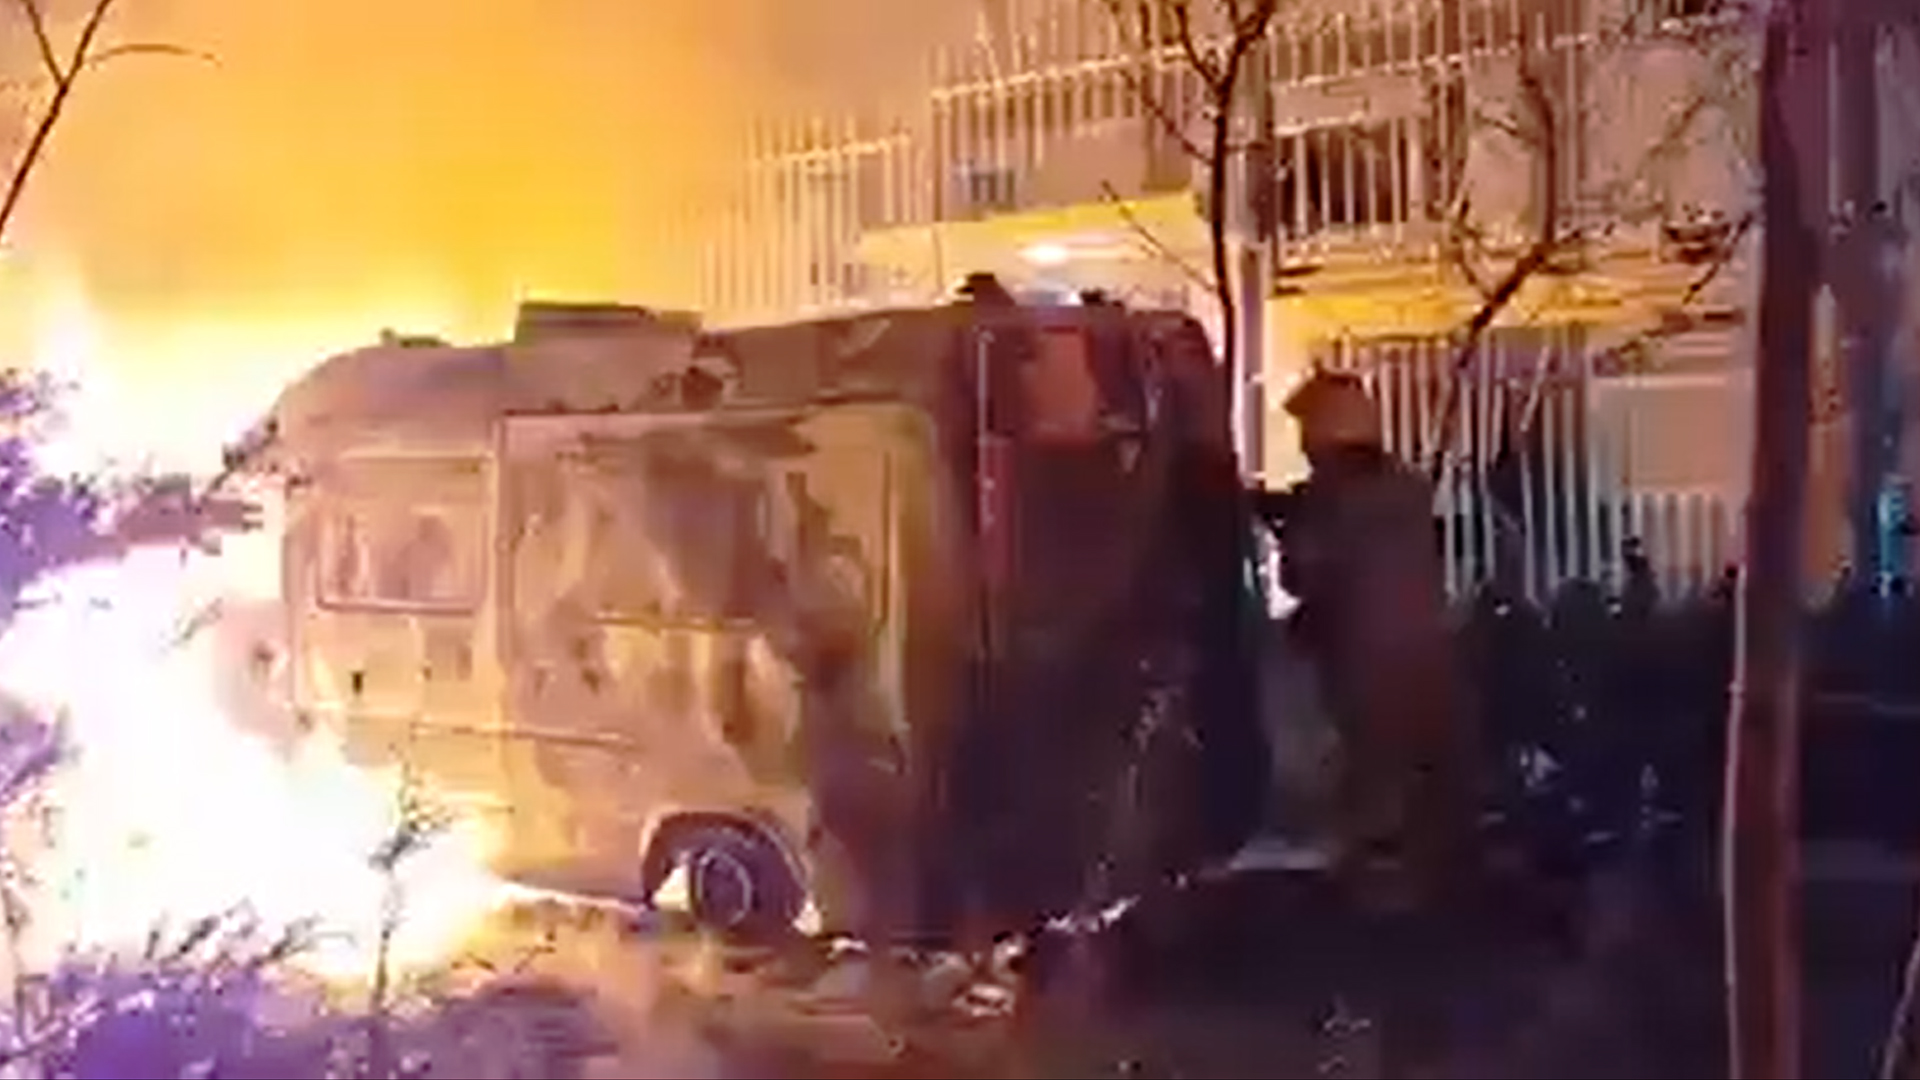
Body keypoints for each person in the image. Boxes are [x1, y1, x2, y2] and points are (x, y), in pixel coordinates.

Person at [1259, 369, 1480, 910]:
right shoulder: (1407, 489)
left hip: (1362, 665)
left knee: (1373, 782)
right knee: (1418, 780)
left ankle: (1381, 894)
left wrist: (1285, 528)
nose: (1304, 444)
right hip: (1426, 659)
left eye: (1308, 431)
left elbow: (1302, 576)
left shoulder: (1330, 500)